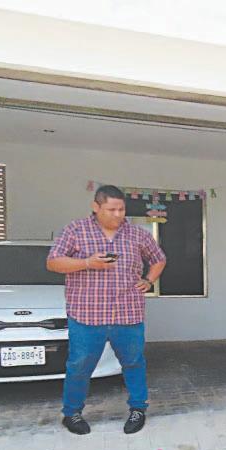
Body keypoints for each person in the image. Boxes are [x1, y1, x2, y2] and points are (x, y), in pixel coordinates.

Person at [47, 185, 166, 435]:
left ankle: (138, 409)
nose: (118, 214)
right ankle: (72, 413)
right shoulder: (75, 230)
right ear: (96, 207)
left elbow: (158, 258)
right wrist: (87, 262)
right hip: (87, 315)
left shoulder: (137, 234)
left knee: (134, 363)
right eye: (111, 209)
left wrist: (148, 280)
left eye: (121, 209)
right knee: (79, 366)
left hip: (128, 313)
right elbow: (53, 262)